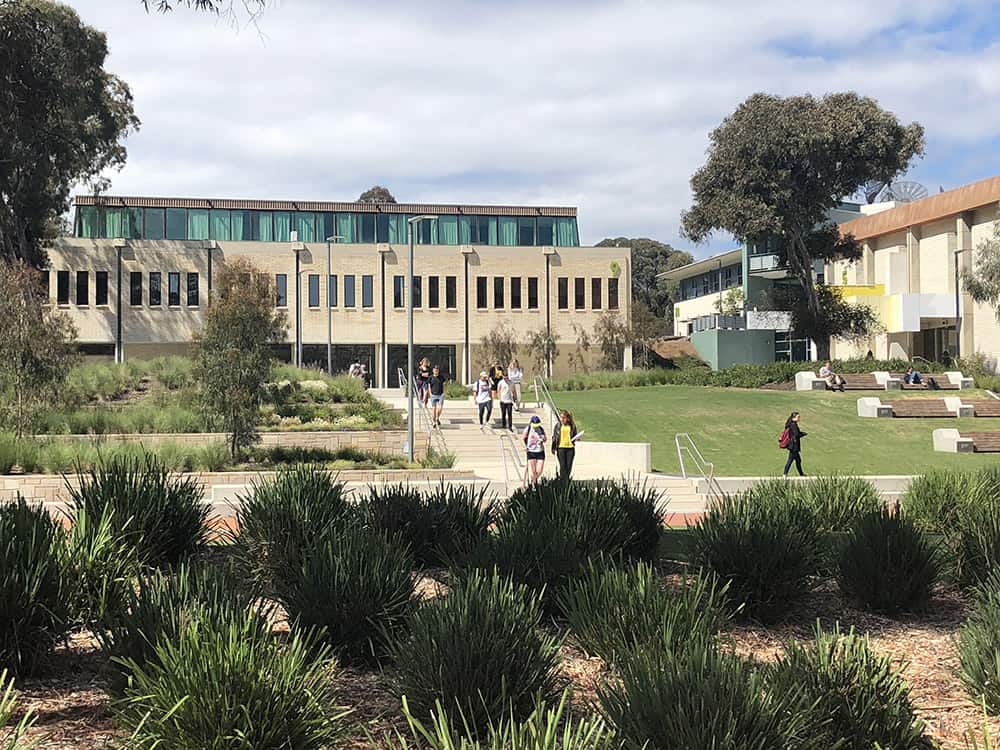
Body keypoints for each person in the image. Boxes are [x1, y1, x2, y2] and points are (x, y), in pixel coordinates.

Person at [553, 410, 579, 479]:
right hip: (561, 448)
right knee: (562, 466)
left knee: (569, 466)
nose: (562, 419)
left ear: (567, 418)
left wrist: (576, 439)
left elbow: (574, 435)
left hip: (570, 448)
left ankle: (566, 480)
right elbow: (555, 437)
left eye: (563, 418)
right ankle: (562, 480)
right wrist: (553, 447)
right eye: (561, 417)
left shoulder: (572, 426)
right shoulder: (558, 426)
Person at [522, 414, 547, 484]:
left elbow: (545, 439)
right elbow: (523, 438)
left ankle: (533, 481)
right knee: (533, 471)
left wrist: (543, 438)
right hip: (531, 451)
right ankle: (534, 483)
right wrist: (525, 447)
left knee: (539, 470)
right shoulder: (528, 429)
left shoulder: (541, 429)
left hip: (540, 451)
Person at [781, 411, 806, 477]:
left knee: (798, 460)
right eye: (798, 417)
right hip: (794, 446)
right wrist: (803, 434)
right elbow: (796, 434)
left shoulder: (791, 424)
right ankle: (784, 474)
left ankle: (801, 474)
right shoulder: (793, 424)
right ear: (794, 418)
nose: (799, 418)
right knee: (790, 460)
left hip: (792, 445)